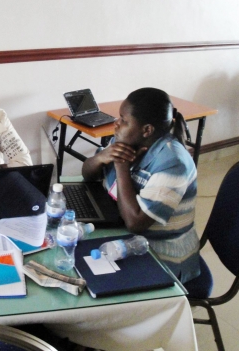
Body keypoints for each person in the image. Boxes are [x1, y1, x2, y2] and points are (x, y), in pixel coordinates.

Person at [82, 88, 200, 283]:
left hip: (161, 254)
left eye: (123, 120)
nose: (116, 124)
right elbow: (88, 176)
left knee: (94, 283)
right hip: (122, 234)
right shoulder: (126, 139)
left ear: (147, 130)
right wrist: (101, 157)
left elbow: (135, 223)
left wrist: (121, 166)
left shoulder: (173, 163)